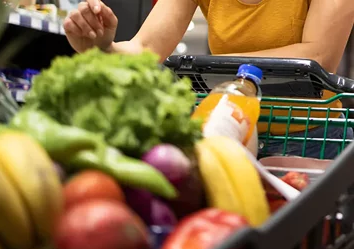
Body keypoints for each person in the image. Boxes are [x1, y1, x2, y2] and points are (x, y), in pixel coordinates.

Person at [63, 0, 354, 159]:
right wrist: (102, 47)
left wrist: (212, 67)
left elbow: (318, 55)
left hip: (314, 140)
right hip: (229, 134)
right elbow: (145, 48)